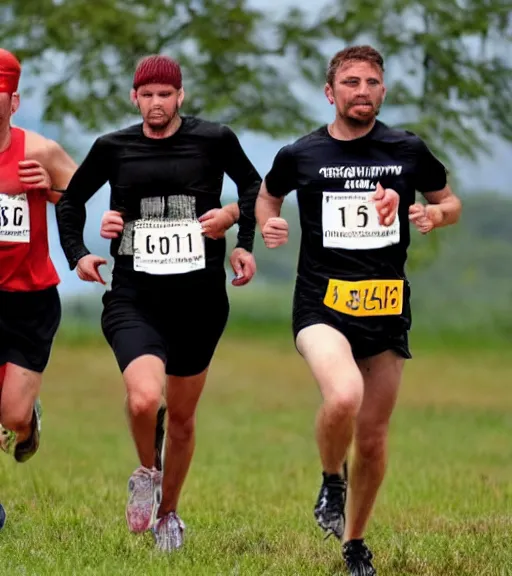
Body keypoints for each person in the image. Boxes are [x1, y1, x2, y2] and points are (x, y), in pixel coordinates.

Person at [255, 45, 462, 575]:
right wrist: (269, 222)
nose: (362, 90)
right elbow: (268, 196)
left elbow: (450, 202)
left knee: (371, 439)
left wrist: (431, 214)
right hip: (322, 303)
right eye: (351, 82)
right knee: (343, 395)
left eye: (371, 82)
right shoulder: (300, 154)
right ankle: (330, 480)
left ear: (383, 91)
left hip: (386, 306)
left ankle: (354, 544)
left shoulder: (406, 148)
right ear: (331, 93)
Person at [55, 54, 260, 552]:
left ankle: (168, 514)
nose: (155, 104)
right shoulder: (113, 147)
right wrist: (80, 253)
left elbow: (257, 187)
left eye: (164, 95)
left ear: (180, 96)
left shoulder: (215, 140)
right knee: (146, 398)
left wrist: (238, 229)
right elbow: (70, 200)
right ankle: (147, 472)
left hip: (200, 301)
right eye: (146, 95)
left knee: (184, 418)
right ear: (134, 98)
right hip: (134, 297)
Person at [0, 48, 77, 467]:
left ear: (14, 101)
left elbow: (80, 191)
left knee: (11, 415)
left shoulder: (39, 150)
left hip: (29, 299)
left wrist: (50, 185)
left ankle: (30, 419)